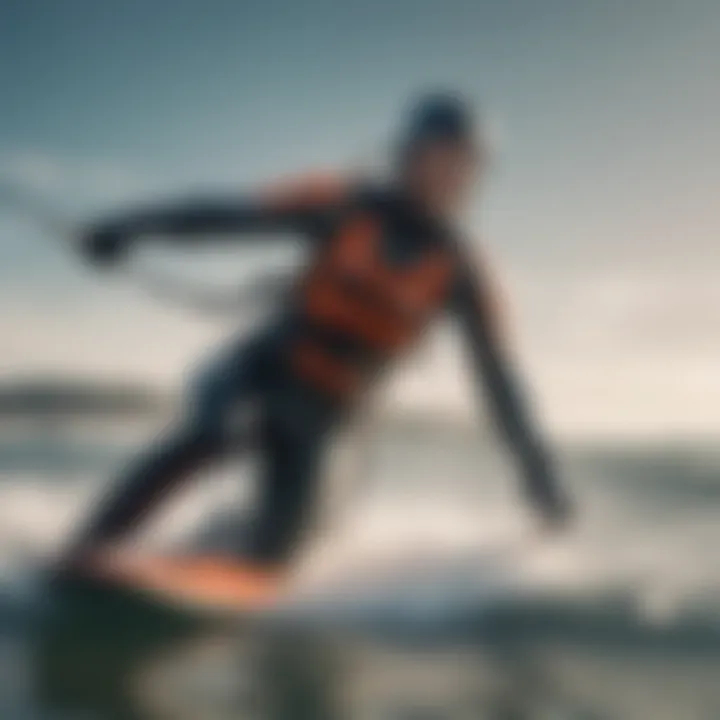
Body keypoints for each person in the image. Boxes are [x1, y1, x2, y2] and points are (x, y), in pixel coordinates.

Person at [61, 91, 571, 583]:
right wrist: (125, 228)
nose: (451, 175)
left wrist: (538, 479)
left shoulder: (464, 274)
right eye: (441, 157)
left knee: (276, 559)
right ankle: (90, 546)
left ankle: (223, 540)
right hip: (263, 371)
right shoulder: (342, 203)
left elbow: (501, 385)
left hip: (330, 416)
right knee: (211, 433)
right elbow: (226, 214)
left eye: (466, 164)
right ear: (408, 155)